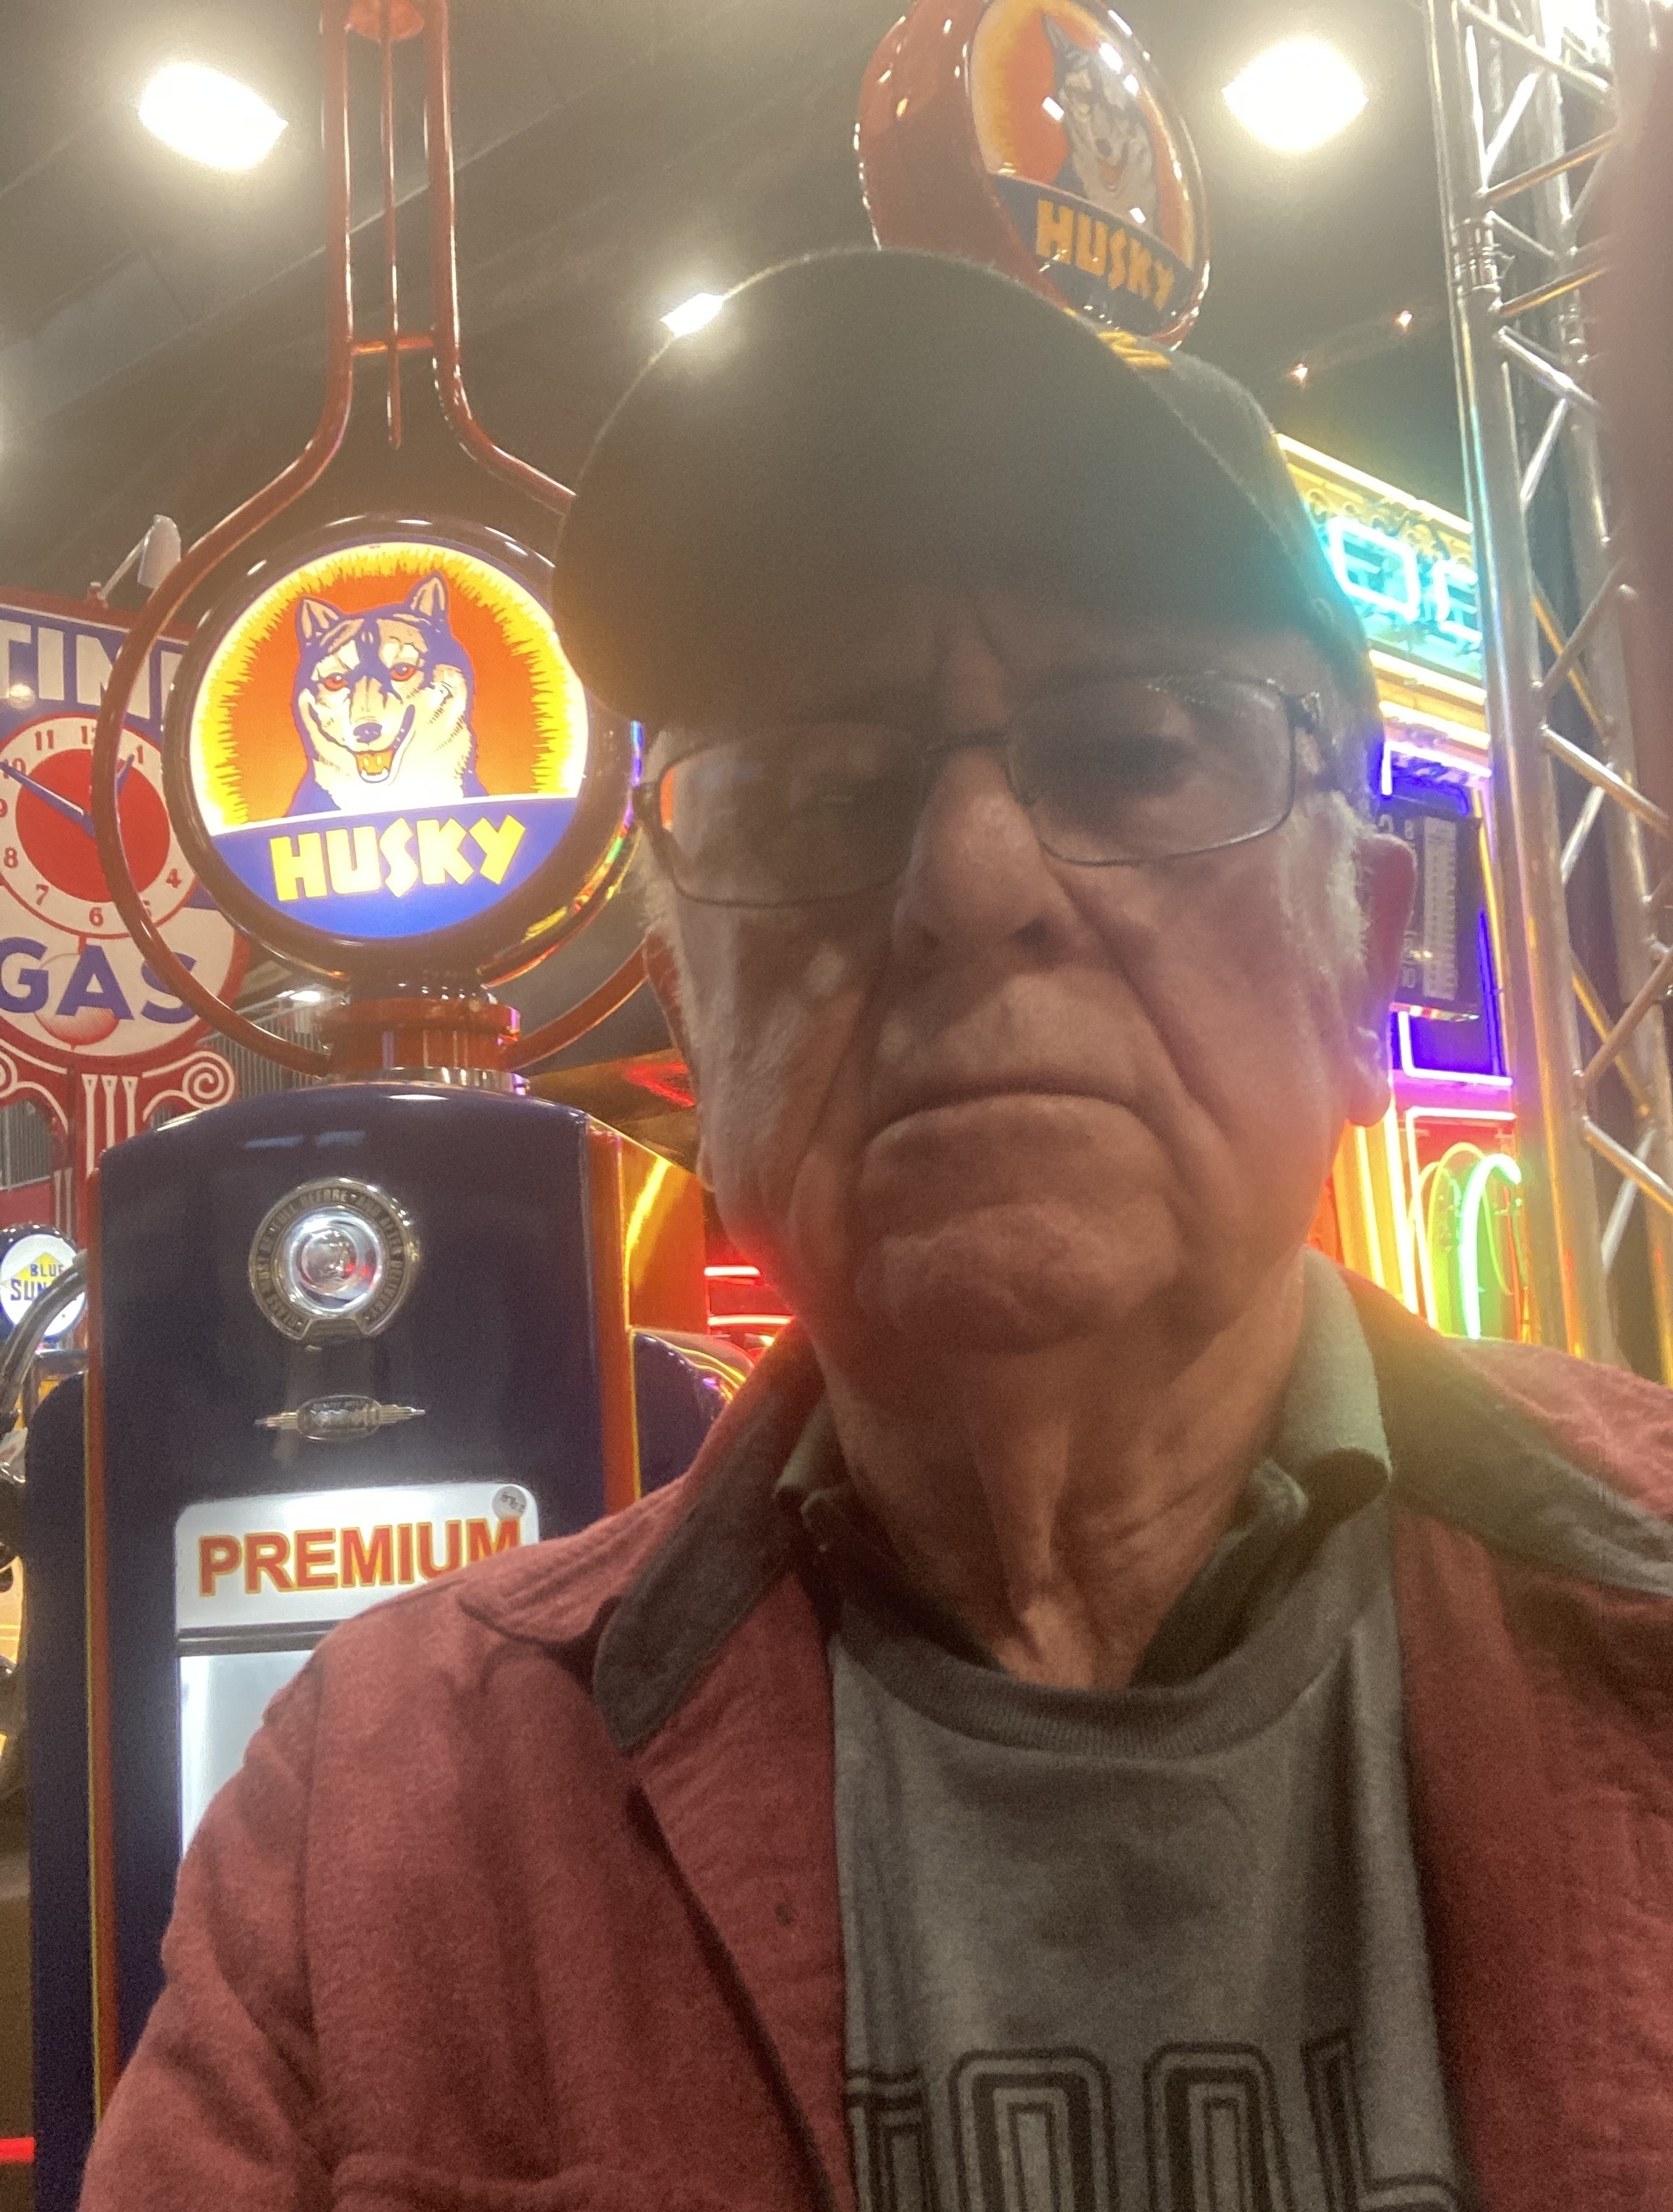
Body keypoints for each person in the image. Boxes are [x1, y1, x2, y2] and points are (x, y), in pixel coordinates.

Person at [79, 251, 1673, 2212]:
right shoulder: (374, 1812)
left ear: (1365, 956)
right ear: (690, 1012)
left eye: (1131, 750)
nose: (967, 881)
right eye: (823, 794)